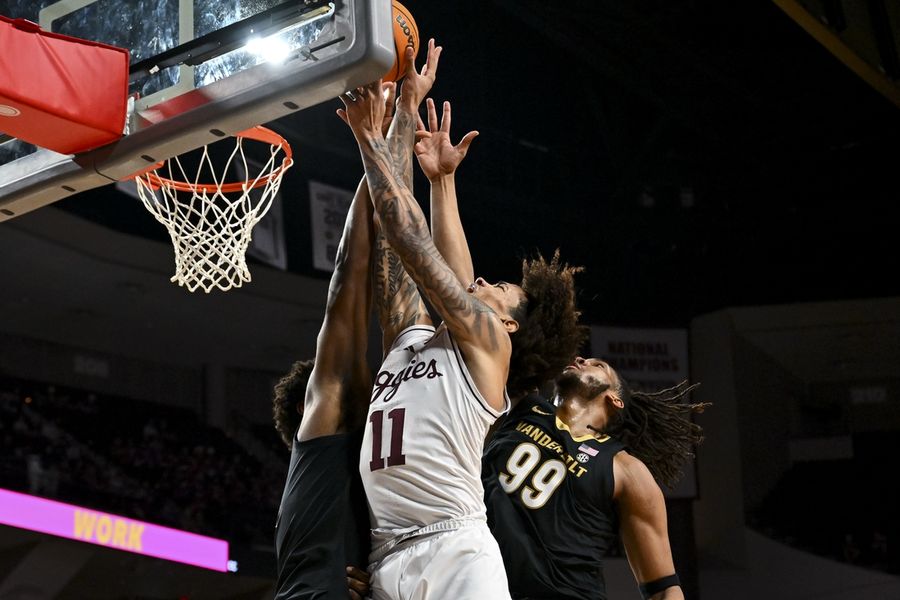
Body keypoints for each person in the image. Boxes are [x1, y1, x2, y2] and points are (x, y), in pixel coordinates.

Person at [339, 42, 584, 599]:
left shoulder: (490, 346)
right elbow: (405, 255)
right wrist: (425, 153)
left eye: (500, 289)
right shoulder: (413, 340)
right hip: (386, 554)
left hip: (456, 551)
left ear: (513, 326)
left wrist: (372, 136)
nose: (483, 284)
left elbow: (417, 246)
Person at [272, 81, 402, 599]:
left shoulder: (339, 465)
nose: (368, 378)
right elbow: (350, 274)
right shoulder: (325, 430)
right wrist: (375, 140)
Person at [483, 357, 710, 600]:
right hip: (472, 574)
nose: (580, 359)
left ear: (615, 399)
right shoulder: (522, 405)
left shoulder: (626, 470)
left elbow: (665, 587)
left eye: (598, 365)